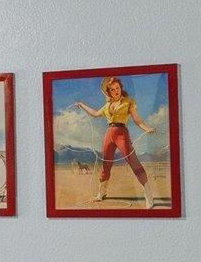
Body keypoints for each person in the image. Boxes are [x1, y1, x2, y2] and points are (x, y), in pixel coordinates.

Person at [66, 75, 161, 207]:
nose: (116, 91)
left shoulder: (129, 102)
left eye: (118, 88)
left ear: (121, 88)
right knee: (106, 164)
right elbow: (94, 114)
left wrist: (147, 128)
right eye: (112, 89)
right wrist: (81, 104)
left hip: (122, 134)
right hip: (109, 135)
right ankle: (102, 193)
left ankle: (148, 195)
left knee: (133, 161)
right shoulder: (107, 105)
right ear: (109, 92)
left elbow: (137, 120)